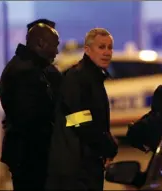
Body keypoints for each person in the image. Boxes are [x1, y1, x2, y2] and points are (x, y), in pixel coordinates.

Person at [46, 28, 118, 190]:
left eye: (109, 47)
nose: (107, 52)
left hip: (87, 161)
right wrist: (105, 144)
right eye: (101, 47)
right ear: (87, 50)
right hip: (77, 166)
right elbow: (77, 119)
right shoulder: (78, 78)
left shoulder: (93, 77)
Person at [0, 19, 61, 190]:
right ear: (41, 43)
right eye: (54, 45)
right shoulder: (25, 72)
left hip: (30, 154)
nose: (56, 51)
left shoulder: (34, 68)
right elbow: (35, 119)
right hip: (30, 156)